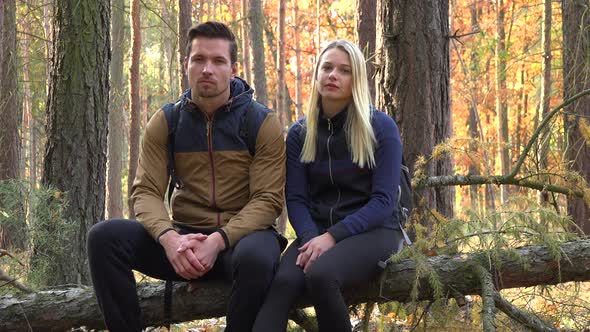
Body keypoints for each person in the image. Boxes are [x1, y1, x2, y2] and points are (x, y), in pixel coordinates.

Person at [87, 21, 286, 332]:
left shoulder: (260, 122)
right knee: (103, 238)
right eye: (199, 59)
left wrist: (219, 241)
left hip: (240, 244)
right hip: (183, 245)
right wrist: (169, 239)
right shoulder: (167, 122)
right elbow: (146, 192)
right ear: (186, 65)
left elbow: (268, 200)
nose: (208, 69)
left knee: (258, 258)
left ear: (233, 68)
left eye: (218, 61)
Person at [253, 40, 404, 332]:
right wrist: (311, 237)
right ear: (317, 75)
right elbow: (295, 198)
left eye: (344, 70)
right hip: (318, 232)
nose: (333, 75)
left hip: (377, 230)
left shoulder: (380, 128)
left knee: (321, 274)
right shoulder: (300, 133)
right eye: (327, 67)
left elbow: (384, 201)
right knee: (282, 282)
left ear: (356, 79)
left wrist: (332, 237)